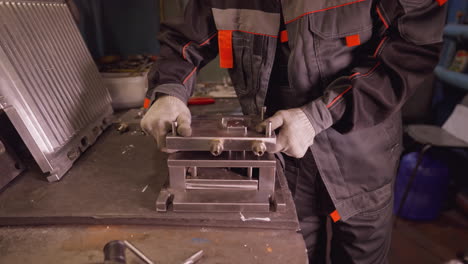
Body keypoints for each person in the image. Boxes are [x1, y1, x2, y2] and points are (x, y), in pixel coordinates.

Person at [141, 1, 447, 263]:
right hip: (280, 157)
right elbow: (184, 41)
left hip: (361, 156)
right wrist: (169, 91)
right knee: (292, 252)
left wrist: (318, 115)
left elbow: (412, 48)